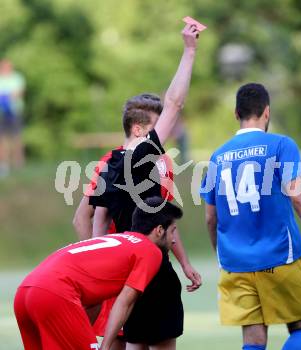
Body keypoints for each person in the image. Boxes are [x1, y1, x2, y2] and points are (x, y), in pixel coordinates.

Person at [200, 83, 301, 350]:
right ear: (267, 112)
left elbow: (210, 217)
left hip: (235, 263)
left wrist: (222, 252)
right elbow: (298, 198)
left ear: (235, 113)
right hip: (280, 257)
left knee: (253, 340)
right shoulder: (281, 145)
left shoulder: (217, 157)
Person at [89, 23, 202, 350]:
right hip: (152, 266)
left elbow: (98, 223)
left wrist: (101, 270)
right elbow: (175, 103)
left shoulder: (109, 165)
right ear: (140, 132)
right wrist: (189, 51)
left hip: (126, 271)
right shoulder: (140, 157)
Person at [14, 197, 183, 350]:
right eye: (172, 231)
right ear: (159, 230)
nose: (174, 239)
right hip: (55, 293)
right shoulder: (150, 251)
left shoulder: (117, 242)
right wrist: (105, 346)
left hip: (25, 292)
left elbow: (95, 302)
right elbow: (125, 302)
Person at [0, 59, 26, 175]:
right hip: (2, 113)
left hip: (15, 112)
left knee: (17, 138)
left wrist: (7, 97)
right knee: (3, 140)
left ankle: (19, 165)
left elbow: (19, 93)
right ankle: (4, 166)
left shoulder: (17, 78)